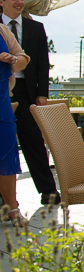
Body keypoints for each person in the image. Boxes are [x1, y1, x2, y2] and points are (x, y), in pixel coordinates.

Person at [0, 0, 58, 205]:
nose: (19, 2)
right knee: (3, 143)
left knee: (33, 141)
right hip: (2, 88)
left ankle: (48, 190)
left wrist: (42, 93)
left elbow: (43, 62)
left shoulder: (35, 28)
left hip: (26, 91)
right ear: (1, 2)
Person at [0, 23, 29, 227]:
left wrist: (12, 60)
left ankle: (12, 208)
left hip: (2, 101)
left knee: (7, 154)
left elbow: (23, 59)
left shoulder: (2, 29)